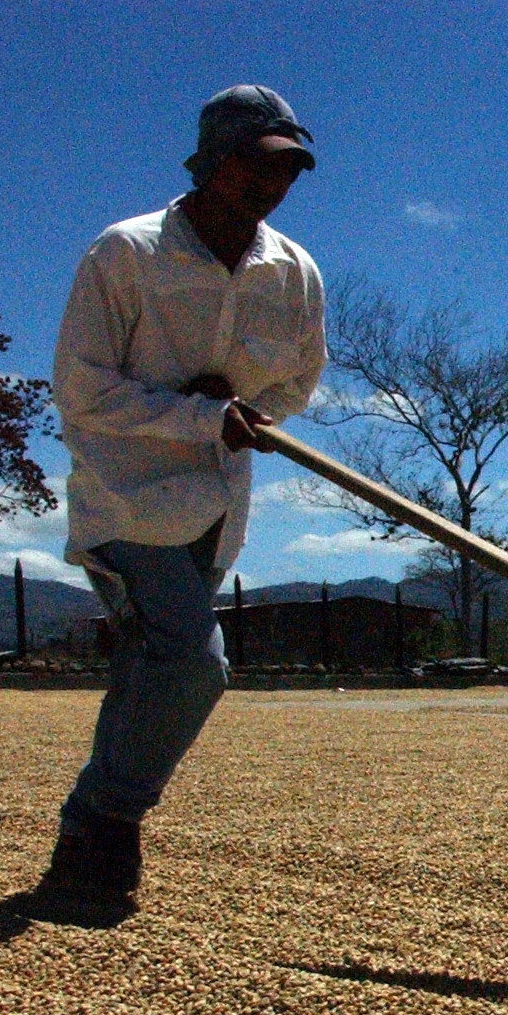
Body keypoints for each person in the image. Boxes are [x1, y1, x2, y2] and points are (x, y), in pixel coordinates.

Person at [22, 86, 326, 923]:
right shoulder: (126, 253)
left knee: (148, 668)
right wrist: (197, 413)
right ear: (212, 161)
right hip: (127, 496)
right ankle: (106, 817)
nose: (273, 185)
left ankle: (80, 860)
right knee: (195, 661)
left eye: (289, 170)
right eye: (257, 165)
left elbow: (298, 381)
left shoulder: (292, 271)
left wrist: (238, 398)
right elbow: (80, 390)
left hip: (216, 501)